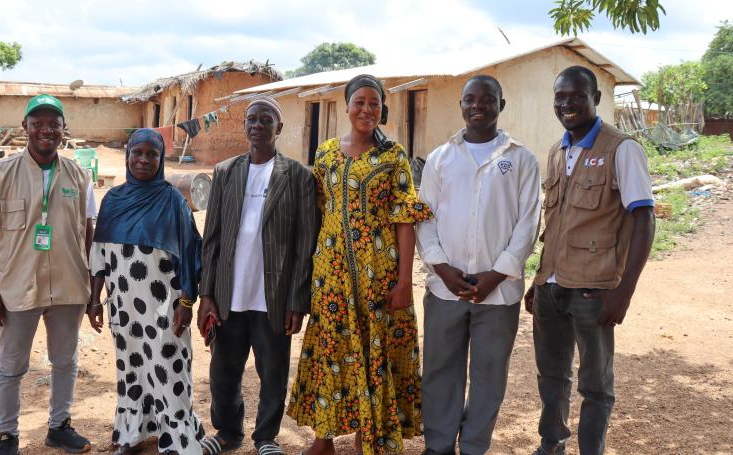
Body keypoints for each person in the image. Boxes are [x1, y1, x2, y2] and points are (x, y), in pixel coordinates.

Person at [288, 74, 433, 455]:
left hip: (379, 275)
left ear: (382, 109)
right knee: (331, 350)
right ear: (347, 105)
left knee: (375, 351)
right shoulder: (326, 153)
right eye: (360, 102)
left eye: (375, 103)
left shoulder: (393, 155)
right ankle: (324, 439)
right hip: (332, 275)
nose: (367, 109)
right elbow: (318, 212)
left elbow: (405, 218)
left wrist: (404, 280)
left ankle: (366, 437)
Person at [525, 66, 655, 455]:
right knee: (551, 377)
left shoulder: (621, 149)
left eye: (577, 96)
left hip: (594, 291)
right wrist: (538, 279)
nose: (567, 104)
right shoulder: (556, 149)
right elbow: (555, 223)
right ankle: (552, 446)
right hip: (551, 288)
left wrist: (624, 292)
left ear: (596, 99)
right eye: (560, 97)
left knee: (595, 386)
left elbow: (644, 218)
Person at [416, 75, 542, 455]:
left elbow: (528, 221)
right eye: (470, 99)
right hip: (444, 288)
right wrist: (442, 268)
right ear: (461, 105)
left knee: (488, 374)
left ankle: (473, 446)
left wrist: (497, 274)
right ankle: (438, 445)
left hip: (498, 291)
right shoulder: (440, 158)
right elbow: (424, 217)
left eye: (487, 99)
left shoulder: (521, 159)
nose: (478, 106)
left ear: (500, 105)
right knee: (440, 370)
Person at [0, 94, 96, 455]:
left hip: (70, 287)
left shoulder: (80, 176)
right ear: (25, 127)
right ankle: (7, 435)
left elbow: (89, 232)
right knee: (11, 366)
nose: (46, 130)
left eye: (53, 123)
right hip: (17, 289)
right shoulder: (1, 175)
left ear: (63, 130)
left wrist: (93, 292)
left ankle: (59, 426)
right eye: (38, 123)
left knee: (65, 362)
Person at [197, 97, 317, 455]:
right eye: (252, 119)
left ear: (278, 129)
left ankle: (266, 437)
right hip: (228, 292)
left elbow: (304, 244)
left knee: (273, 373)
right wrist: (206, 294)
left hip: (274, 296)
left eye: (267, 120)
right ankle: (228, 433)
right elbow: (212, 237)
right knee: (223, 373)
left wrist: (297, 299)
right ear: (245, 126)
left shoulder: (297, 176)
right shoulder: (225, 171)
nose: (258, 125)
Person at [86, 128, 206, 455]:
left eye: (151, 154)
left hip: (163, 304)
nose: (143, 160)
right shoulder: (113, 199)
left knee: (168, 367)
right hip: (123, 305)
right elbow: (99, 256)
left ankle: (179, 438)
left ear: (160, 159)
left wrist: (186, 301)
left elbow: (190, 252)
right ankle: (131, 434)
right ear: (127, 156)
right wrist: (94, 300)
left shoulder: (171, 200)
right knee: (131, 366)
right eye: (137, 153)